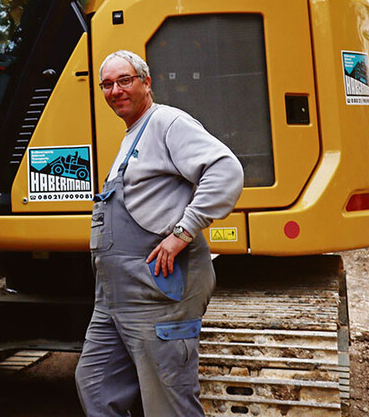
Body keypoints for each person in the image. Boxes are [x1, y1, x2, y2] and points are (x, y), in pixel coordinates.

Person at [75, 50, 244, 416]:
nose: (115, 90)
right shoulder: (132, 135)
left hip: (157, 294)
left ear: (146, 82)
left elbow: (225, 169)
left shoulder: (167, 122)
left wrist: (183, 232)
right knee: (96, 385)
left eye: (125, 80)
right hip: (115, 298)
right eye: (107, 84)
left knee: (167, 403)